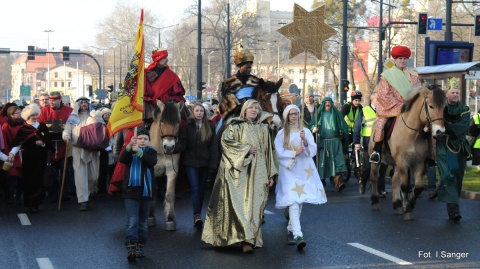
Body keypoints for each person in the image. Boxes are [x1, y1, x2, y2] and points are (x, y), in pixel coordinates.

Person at [202, 99, 277, 254]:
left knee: (255, 206)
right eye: (251, 107)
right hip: (237, 173)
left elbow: (269, 152)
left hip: (258, 172)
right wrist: (246, 150)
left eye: (257, 108)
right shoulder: (234, 126)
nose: (254, 110)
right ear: (244, 110)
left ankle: (249, 239)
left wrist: (270, 174)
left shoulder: (263, 128)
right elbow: (226, 143)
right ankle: (232, 238)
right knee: (237, 207)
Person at [274, 104, 327, 251]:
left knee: (300, 199)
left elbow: (313, 150)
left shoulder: (306, 131)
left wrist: (305, 142)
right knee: (293, 201)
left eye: (296, 114)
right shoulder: (281, 134)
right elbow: (279, 153)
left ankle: (291, 228)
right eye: (291, 114)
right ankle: (298, 235)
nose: (294, 116)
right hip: (289, 170)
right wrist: (293, 153)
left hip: (304, 169)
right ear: (286, 116)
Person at [370, 45, 420, 163]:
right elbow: (384, 94)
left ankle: (429, 155)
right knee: (381, 124)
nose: (402, 61)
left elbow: (419, 90)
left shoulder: (413, 74)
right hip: (392, 108)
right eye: (400, 59)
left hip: (411, 108)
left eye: (405, 59)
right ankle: (377, 151)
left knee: (427, 124)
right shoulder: (387, 75)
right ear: (394, 60)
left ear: (408, 60)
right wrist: (401, 105)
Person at [174, 103, 218, 229]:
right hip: (191, 163)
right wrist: (172, 148)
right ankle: (197, 215)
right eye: (197, 111)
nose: (199, 113)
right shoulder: (188, 126)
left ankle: (198, 212)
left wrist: (213, 164)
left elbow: (213, 147)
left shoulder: (210, 126)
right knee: (195, 188)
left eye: (201, 111)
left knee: (202, 189)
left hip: (205, 163)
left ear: (204, 113)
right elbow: (183, 143)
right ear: (193, 112)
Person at [119, 126, 158, 262]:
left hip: (146, 192)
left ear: (149, 140)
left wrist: (140, 152)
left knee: (143, 222)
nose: (142, 141)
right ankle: (131, 247)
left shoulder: (151, 152)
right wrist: (130, 146)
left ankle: (141, 245)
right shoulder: (131, 152)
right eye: (140, 138)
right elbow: (122, 159)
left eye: (145, 139)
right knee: (133, 220)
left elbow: (151, 162)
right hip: (131, 192)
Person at [7, 104, 54, 213]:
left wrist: (42, 144)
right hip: (28, 158)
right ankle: (28, 203)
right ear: (27, 116)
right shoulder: (23, 129)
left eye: (36, 114)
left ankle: (36, 203)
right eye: (32, 115)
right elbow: (18, 144)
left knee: (38, 180)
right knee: (28, 180)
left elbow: (48, 142)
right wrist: (12, 154)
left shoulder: (42, 126)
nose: (35, 117)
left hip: (41, 158)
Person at [434, 79, 470, 222]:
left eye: (457, 92)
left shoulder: (465, 109)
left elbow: (462, 128)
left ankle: (449, 199)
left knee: (458, 177)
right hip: (443, 147)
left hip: (460, 148)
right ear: (446, 95)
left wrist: (445, 127)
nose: (455, 94)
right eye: (452, 92)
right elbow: (434, 124)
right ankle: (454, 210)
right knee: (448, 175)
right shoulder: (440, 109)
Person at [63, 97, 99, 211]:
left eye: (86, 102)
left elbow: (102, 129)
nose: (84, 104)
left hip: (92, 150)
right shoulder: (73, 117)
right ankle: (82, 200)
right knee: (80, 176)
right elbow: (67, 129)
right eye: (81, 102)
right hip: (78, 149)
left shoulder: (94, 116)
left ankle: (87, 194)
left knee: (93, 176)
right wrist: (66, 136)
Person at [37, 91, 74, 202]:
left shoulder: (69, 111)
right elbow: (39, 129)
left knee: (65, 171)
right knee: (50, 171)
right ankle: (52, 193)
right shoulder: (43, 112)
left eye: (54, 100)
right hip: (50, 147)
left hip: (65, 146)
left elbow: (74, 127)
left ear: (60, 100)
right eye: (50, 100)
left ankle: (64, 193)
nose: (52, 102)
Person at [310, 97, 349, 192]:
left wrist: (342, 132)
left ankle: (338, 182)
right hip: (324, 142)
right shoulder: (318, 114)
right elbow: (311, 125)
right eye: (326, 102)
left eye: (329, 102)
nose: (327, 104)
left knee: (338, 162)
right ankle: (321, 182)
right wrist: (313, 129)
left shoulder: (336, 114)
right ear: (323, 104)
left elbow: (343, 126)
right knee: (323, 163)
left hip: (336, 143)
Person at [353, 93, 387, 196]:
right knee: (369, 167)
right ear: (373, 100)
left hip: (381, 141)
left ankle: (380, 189)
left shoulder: (384, 110)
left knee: (382, 167)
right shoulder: (364, 111)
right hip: (368, 142)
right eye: (378, 99)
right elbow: (357, 127)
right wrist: (357, 142)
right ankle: (363, 183)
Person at [144, 48, 188, 127]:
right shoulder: (146, 74)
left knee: (184, 120)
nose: (167, 60)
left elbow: (177, 95)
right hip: (151, 107)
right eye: (164, 58)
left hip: (168, 108)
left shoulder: (172, 76)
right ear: (158, 59)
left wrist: (168, 105)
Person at [218, 46, 260, 120]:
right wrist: (240, 107)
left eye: (250, 67)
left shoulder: (256, 81)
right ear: (240, 67)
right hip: (235, 112)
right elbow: (226, 98)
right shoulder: (228, 82)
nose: (249, 70)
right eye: (246, 67)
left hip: (253, 111)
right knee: (221, 127)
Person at [1, 106, 24, 205]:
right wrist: (8, 155)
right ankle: (12, 197)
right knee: (12, 177)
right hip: (12, 154)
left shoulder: (24, 124)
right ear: (11, 115)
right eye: (17, 113)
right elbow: (5, 142)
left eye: (20, 112)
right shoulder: (6, 126)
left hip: (23, 153)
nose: (19, 115)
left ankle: (19, 197)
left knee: (21, 178)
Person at [97, 108, 114, 196]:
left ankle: (112, 188)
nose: (107, 116)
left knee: (112, 170)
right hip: (102, 150)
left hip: (111, 150)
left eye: (109, 114)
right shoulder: (100, 125)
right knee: (102, 170)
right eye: (105, 114)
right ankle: (102, 188)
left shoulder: (113, 124)